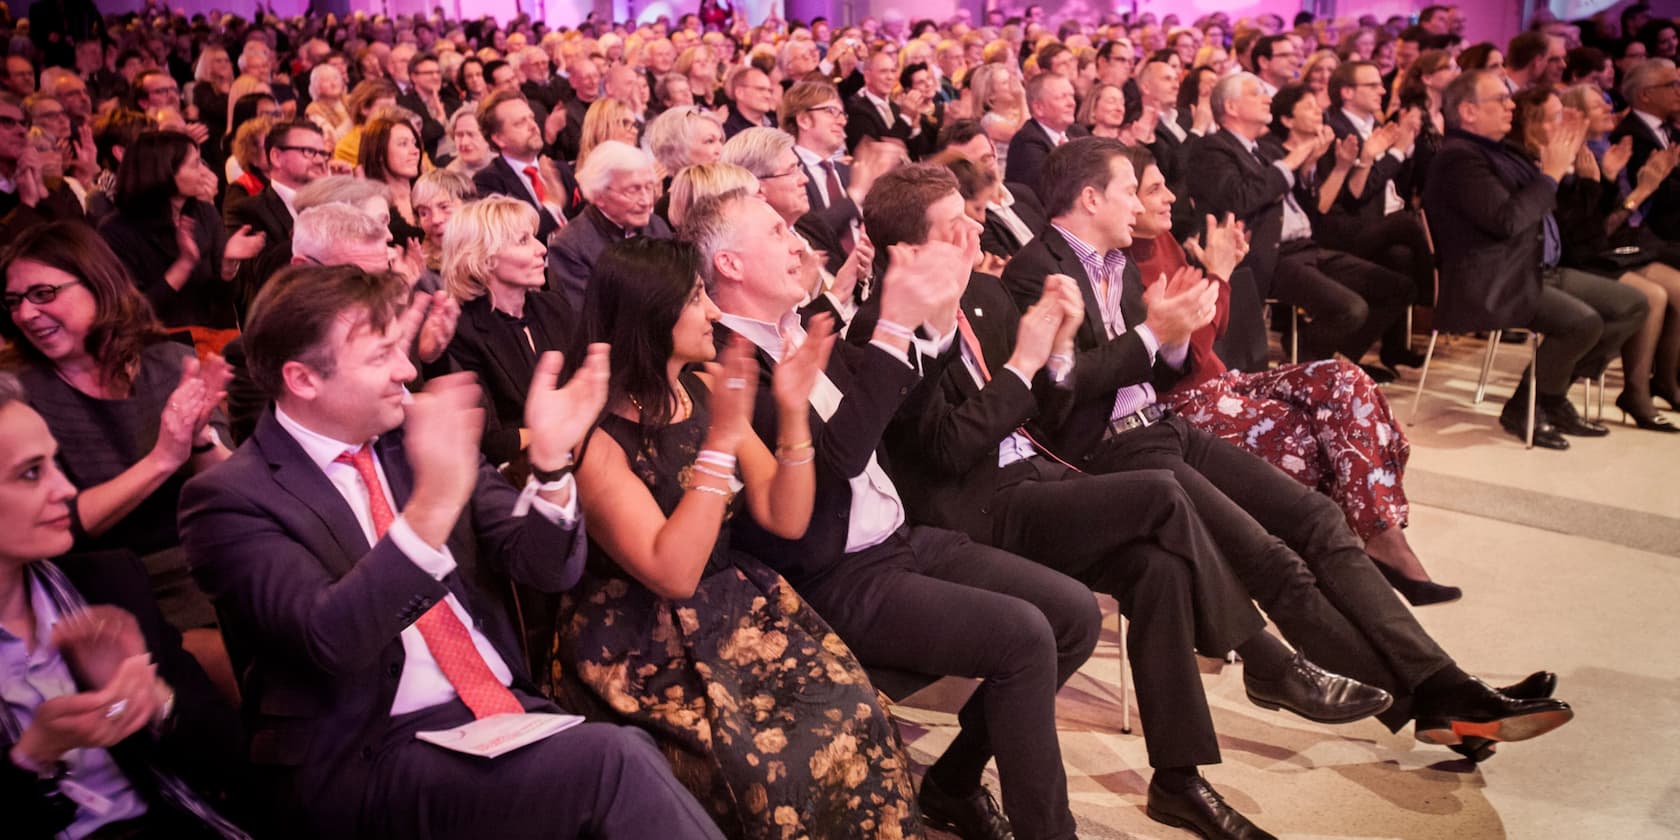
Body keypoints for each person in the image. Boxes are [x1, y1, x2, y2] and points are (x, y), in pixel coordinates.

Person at [1002, 136, 1574, 767]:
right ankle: (1432, 699)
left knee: (1319, 519)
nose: (1141, 202)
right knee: (1273, 561)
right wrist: (1150, 335)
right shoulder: (1039, 269)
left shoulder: (1115, 264)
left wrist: (1168, 340)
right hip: (1106, 456)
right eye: (1130, 190)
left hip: (1158, 426)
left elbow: (1156, 374)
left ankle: (1447, 687)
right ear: (1090, 198)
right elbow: (1057, 398)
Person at [870, 164, 1391, 840]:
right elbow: (946, 451)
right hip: (973, 511)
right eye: (953, 227)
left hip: (1037, 478)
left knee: (1160, 569)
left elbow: (1052, 400)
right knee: (1162, 493)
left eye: (969, 218)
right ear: (904, 253)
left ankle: (1176, 778)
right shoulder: (881, 327)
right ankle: (1266, 659)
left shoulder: (986, 297)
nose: (975, 232)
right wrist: (1027, 363)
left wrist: (1058, 343)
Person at [177, 264, 725, 839]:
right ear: (303, 379)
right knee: (612, 763)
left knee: (625, 755)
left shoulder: (406, 439)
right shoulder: (229, 499)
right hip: (373, 751)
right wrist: (434, 503)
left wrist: (553, 462)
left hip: (500, 714)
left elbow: (545, 567)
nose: (407, 370)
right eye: (381, 355)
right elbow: (329, 638)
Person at [686, 188, 1101, 840]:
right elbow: (835, 464)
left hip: (898, 537)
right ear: (731, 264)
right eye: (776, 233)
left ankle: (953, 785)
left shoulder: (804, 324)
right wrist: (893, 325)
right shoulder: (728, 365)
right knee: (1024, 635)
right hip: (830, 575)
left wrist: (935, 317)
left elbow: (888, 407)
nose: (798, 244)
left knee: (1073, 614)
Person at [553, 236, 925, 837]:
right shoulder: (597, 440)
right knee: (773, 763)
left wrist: (792, 408)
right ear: (652, 313)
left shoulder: (699, 387)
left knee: (858, 710)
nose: (716, 313)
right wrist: (721, 445)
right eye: (697, 299)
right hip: (644, 642)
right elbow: (671, 572)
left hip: (732, 607)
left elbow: (786, 515)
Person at [1120, 143, 1457, 605]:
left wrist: (1215, 277)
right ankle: (1343, 571)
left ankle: (1381, 537)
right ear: (1122, 197)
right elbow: (1191, 351)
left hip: (1225, 382)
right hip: (1179, 407)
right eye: (1154, 189)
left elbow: (1209, 331)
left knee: (1348, 383)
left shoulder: (1160, 238)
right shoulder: (1121, 264)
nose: (1171, 198)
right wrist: (1218, 275)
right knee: (1311, 437)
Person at [0, 370, 251, 838]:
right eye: (32, 473)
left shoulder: (107, 584)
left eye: (56, 465)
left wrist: (157, 702)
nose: (67, 491)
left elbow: (230, 758)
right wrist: (33, 758)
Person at [2, 220, 235, 635]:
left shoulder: (168, 361)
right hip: (114, 586)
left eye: (42, 294)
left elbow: (233, 488)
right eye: (14, 301)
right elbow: (54, 521)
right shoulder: (18, 397)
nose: (25, 313)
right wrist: (162, 459)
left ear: (99, 283)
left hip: (213, 554)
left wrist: (200, 440)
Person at [1425, 70, 1647, 449]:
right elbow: (1507, 220)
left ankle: (1550, 394)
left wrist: (1579, 172)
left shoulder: (1502, 151)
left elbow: (1552, 209)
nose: (1510, 104)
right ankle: (1529, 404)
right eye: (1499, 99)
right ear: (1468, 111)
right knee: (1581, 323)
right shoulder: (1459, 158)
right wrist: (1552, 175)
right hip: (1493, 280)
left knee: (1632, 305)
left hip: (1533, 269)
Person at [440, 196, 573, 466]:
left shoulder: (553, 306)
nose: (541, 249)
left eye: (534, 238)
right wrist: (561, 433)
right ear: (484, 258)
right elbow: (492, 441)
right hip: (519, 473)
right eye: (523, 241)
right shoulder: (463, 330)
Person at [99, 131, 264, 341]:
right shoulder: (116, 231)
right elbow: (131, 315)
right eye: (195, 165)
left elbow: (223, 302)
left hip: (209, 341)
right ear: (164, 171)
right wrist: (183, 265)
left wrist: (228, 264)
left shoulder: (204, 214)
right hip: (153, 348)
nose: (205, 172)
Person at [546, 141, 672, 312]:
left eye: (649, 187)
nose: (646, 201)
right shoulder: (570, 247)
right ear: (599, 195)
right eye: (633, 190)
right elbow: (585, 319)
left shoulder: (657, 226)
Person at [225, 119, 329, 315]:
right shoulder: (248, 210)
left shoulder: (332, 203)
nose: (319, 160)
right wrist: (316, 218)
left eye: (323, 153)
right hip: (283, 318)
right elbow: (263, 275)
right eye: (309, 151)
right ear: (276, 156)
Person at [473, 88, 578, 242]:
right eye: (520, 122)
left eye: (531, 118)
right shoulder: (487, 182)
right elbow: (513, 238)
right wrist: (552, 206)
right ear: (499, 138)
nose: (533, 126)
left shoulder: (561, 170)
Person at [358, 115, 426, 246]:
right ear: (379, 154)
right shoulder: (370, 207)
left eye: (414, 143)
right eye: (403, 144)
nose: (415, 151)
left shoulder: (429, 193)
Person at [305, 64, 354, 150]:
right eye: (326, 81)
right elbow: (332, 140)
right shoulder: (313, 110)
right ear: (317, 87)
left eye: (335, 78)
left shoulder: (350, 99)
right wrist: (354, 118)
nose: (333, 83)